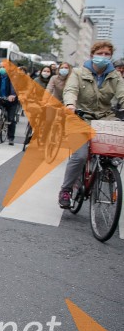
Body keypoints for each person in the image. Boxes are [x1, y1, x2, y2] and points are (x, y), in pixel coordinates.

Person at [58, 41, 124, 207]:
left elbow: (122, 94)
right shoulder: (78, 73)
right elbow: (71, 90)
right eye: (100, 53)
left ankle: (107, 173)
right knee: (79, 156)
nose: (103, 57)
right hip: (80, 116)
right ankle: (66, 190)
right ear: (92, 55)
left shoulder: (115, 76)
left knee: (115, 153)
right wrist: (70, 105)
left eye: (107, 54)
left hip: (105, 119)